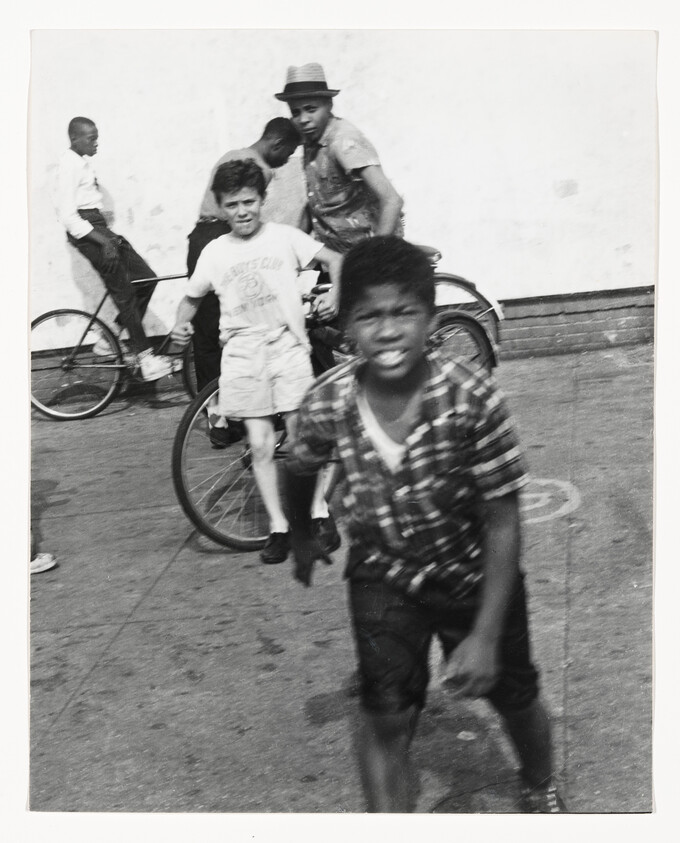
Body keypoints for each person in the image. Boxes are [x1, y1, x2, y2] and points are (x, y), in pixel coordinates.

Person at [284, 237, 565, 813]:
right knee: (385, 711)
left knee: (515, 697)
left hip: (474, 575)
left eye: (403, 312)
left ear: (431, 320)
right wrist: (302, 534)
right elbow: (298, 462)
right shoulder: (328, 401)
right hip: (384, 574)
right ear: (346, 327)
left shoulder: (471, 396)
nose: (387, 331)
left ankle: (540, 783)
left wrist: (485, 636)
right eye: (369, 316)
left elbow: (503, 518)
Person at [171, 159, 343, 565]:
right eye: (232, 205)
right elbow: (192, 298)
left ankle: (318, 512)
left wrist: (333, 294)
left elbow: (335, 260)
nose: (242, 211)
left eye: (249, 201)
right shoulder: (215, 252)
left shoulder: (285, 237)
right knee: (261, 445)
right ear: (220, 207)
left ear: (262, 200)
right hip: (243, 352)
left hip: (286, 345)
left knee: (302, 440)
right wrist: (180, 325)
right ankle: (280, 527)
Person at [274, 63, 404, 370]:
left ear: (328, 104)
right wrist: (292, 253)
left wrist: (372, 263)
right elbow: (317, 206)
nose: (303, 119)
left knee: (369, 342)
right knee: (310, 322)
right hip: (338, 257)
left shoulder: (343, 140)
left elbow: (391, 200)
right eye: (296, 112)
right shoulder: (310, 144)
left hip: (365, 256)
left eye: (310, 109)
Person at [186, 118, 301, 403]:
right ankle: (244, 407)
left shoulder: (231, 155)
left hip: (200, 234)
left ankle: (214, 413)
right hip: (224, 237)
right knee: (243, 327)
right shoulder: (259, 170)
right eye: (287, 154)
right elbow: (249, 221)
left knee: (206, 333)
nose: (284, 162)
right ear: (278, 144)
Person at [54, 117, 174, 382]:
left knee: (146, 278)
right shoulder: (68, 165)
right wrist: (102, 241)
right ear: (75, 138)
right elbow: (68, 217)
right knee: (124, 293)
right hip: (88, 232)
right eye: (90, 137)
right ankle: (146, 359)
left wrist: (106, 236)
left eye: (97, 136)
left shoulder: (81, 162)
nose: (96, 142)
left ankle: (110, 340)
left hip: (98, 227)